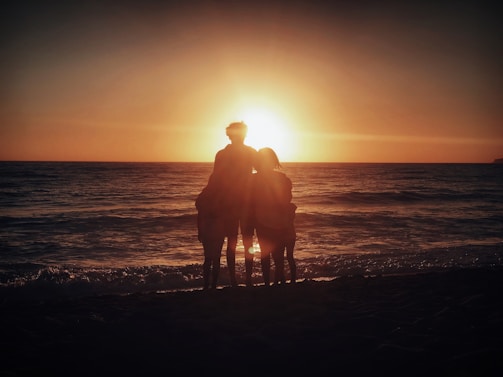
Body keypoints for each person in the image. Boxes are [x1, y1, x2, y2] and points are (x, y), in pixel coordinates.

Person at [207, 121, 258, 287]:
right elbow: (215, 179)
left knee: (237, 241)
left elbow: (215, 179)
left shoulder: (225, 154)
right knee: (237, 241)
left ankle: (241, 279)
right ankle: (238, 278)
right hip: (237, 203)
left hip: (239, 202)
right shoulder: (244, 152)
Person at [251, 147, 297, 286]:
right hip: (279, 220)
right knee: (278, 256)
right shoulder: (283, 179)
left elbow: (251, 200)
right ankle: (279, 281)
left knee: (265, 255)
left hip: (263, 221)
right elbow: (287, 199)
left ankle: (268, 284)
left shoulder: (254, 179)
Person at [195, 175, 226, 289]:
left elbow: (200, 214)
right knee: (215, 258)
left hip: (209, 229)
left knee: (208, 258)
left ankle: (207, 284)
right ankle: (213, 284)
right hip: (218, 229)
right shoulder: (221, 195)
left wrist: (200, 230)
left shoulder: (204, 194)